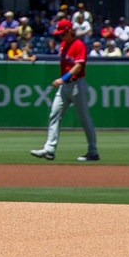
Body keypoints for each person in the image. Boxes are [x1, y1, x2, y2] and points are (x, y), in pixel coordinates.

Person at [29, 19, 100, 162]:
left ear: (70, 31)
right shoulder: (63, 45)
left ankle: (93, 151)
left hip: (77, 84)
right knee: (54, 114)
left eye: (62, 34)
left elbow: (78, 66)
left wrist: (63, 78)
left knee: (84, 118)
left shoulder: (79, 45)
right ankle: (49, 149)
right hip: (65, 86)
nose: (60, 37)